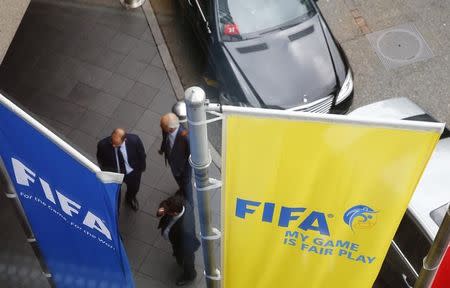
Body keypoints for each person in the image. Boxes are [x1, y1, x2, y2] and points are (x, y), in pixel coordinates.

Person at [96, 128, 146, 211]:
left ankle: (130, 198)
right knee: (115, 193)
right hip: (114, 175)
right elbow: (100, 159)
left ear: (124, 140)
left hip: (132, 173)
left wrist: (141, 168)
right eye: (112, 142)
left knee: (134, 188)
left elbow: (141, 154)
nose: (113, 146)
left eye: (117, 144)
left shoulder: (134, 140)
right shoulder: (102, 145)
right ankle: (115, 207)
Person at [157, 194, 200, 286]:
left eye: (166, 212)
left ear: (174, 213)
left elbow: (187, 248)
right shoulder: (180, 203)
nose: (164, 211)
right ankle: (178, 256)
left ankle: (190, 275)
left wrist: (180, 253)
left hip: (184, 246)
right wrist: (161, 210)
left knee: (187, 261)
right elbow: (164, 206)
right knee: (179, 255)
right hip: (176, 240)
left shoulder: (185, 230)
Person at [158, 113, 193, 205]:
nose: (160, 126)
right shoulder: (166, 129)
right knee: (179, 181)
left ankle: (189, 203)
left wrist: (186, 175)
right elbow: (164, 139)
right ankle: (182, 190)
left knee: (186, 187)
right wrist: (162, 149)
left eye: (162, 125)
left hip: (183, 169)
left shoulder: (186, 138)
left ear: (170, 128)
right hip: (173, 163)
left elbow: (190, 158)